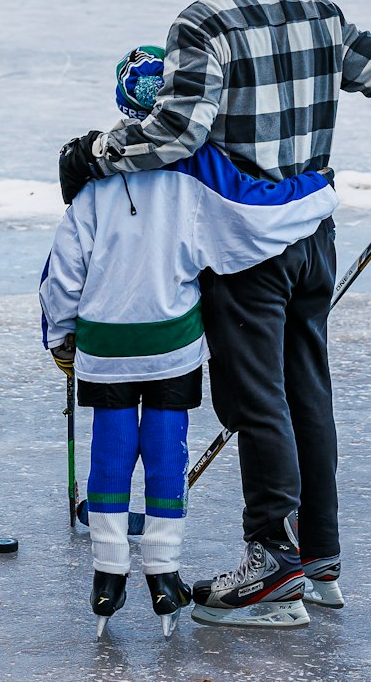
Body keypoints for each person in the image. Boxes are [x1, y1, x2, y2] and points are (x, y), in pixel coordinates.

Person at [58, 0, 371, 628]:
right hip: (313, 237)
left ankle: (272, 564)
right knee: (306, 391)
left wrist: (96, 154)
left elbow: (178, 129)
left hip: (245, 244)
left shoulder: (203, 21)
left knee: (256, 401)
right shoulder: (319, 12)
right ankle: (320, 555)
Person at [43, 46, 339, 637]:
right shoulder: (198, 170)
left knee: (111, 450)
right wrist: (319, 190)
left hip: (104, 354)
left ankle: (108, 574)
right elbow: (260, 211)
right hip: (173, 349)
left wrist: (61, 338)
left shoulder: (92, 181)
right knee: (166, 454)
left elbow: (62, 273)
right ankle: (164, 574)